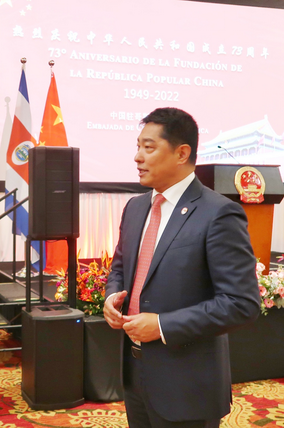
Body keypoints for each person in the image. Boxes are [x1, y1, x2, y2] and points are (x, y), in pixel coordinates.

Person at [104, 107, 260, 428]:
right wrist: (112, 296)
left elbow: (241, 304)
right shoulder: (135, 207)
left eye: (149, 147)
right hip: (135, 373)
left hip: (187, 385)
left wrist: (163, 325)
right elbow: (120, 268)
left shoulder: (218, 214)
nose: (137, 157)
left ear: (182, 153)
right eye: (138, 146)